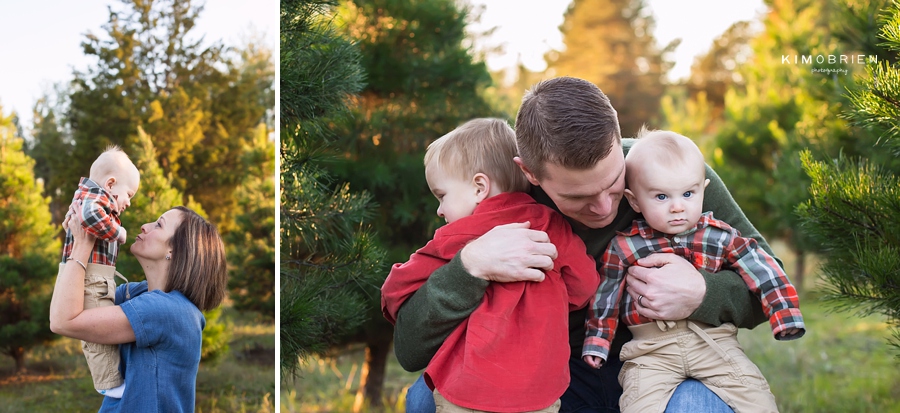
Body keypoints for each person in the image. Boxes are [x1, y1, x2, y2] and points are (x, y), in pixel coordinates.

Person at [396, 77, 779, 413]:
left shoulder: (671, 179)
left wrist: (703, 293)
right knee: (425, 400)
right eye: (577, 197)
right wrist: (469, 266)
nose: (602, 207)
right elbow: (410, 350)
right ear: (530, 173)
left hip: (664, 364)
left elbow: (769, 280)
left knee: (695, 405)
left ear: (618, 140)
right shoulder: (501, 207)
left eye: (613, 183)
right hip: (556, 377)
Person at [382, 118, 600, 412]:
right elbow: (585, 285)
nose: (439, 210)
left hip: (471, 387)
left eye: (442, 195)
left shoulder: (459, 235)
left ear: (479, 187)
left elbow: (399, 287)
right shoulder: (553, 226)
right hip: (539, 389)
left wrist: (393, 296)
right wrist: (553, 300)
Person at [581, 130, 805, 412]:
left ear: (703, 189)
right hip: (651, 351)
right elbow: (606, 296)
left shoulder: (720, 236)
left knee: (757, 399)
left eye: (688, 194)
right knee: (639, 405)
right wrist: (598, 342)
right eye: (661, 197)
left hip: (714, 343)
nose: (677, 207)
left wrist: (784, 313)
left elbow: (762, 268)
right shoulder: (624, 247)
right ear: (635, 201)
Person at [50, 204, 227, 412]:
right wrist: (79, 233)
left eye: (158, 225)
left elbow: (64, 321)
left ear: (175, 249)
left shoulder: (168, 310)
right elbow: (72, 302)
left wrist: (80, 246)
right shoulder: (136, 294)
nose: (145, 226)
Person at [59, 146, 140, 397]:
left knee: (96, 330)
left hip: (91, 274)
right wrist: (120, 233)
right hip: (92, 277)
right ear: (111, 183)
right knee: (98, 335)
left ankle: (108, 379)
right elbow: (90, 215)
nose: (128, 203)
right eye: (128, 194)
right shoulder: (96, 200)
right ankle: (109, 384)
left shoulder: (87, 195)